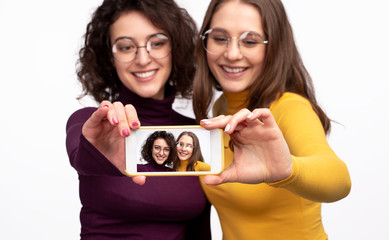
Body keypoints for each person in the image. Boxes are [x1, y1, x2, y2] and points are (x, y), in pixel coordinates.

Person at [192, 0, 352, 239]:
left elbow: (338, 179)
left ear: (274, 46)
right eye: (219, 38)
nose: (232, 54)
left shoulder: (289, 107)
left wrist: (288, 171)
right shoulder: (221, 108)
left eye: (250, 41)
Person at [65, 0, 211, 239]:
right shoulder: (91, 124)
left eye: (157, 43)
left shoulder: (195, 134)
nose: (143, 59)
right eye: (126, 47)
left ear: (175, 48)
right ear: (109, 57)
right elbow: (82, 157)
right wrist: (98, 151)